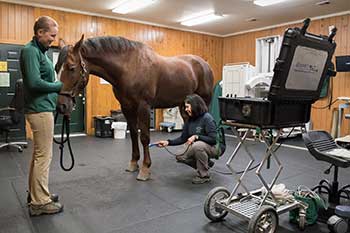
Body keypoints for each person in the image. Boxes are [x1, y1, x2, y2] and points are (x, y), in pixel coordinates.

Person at [20, 16, 64, 216]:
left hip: (44, 107)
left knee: (39, 154)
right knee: (44, 156)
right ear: (40, 32)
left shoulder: (41, 52)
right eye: (51, 35)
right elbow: (34, 83)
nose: (53, 39)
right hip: (39, 110)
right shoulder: (30, 51)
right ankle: (40, 202)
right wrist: (59, 87)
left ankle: (36, 194)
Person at [157, 94, 223, 184]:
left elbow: (213, 139)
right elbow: (182, 138)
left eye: (187, 106)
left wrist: (197, 136)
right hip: (201, 146)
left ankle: (204, 175)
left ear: (195, 105)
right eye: (185, 107)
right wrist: (167, 142)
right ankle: (206, 163)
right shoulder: (190, 120)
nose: (185, 109)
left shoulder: (207, 118)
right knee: (180, 155)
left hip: (215, 147)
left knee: (197, 146)